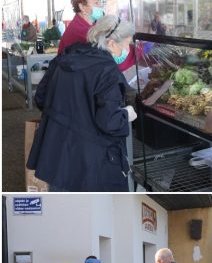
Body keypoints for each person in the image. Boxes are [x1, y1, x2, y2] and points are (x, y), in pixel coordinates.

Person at [27, 15, 137, 191]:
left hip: (56, 155)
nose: (126, 50)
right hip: (89, 164)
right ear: (110, 43)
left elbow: (41, 97)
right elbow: (109, 122)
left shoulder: (67, 55)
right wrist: (126, 114)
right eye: (126, 45)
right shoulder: (107, 71)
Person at [58, 0, 141, 73]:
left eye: (100, 3)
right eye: (96, 3)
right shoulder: (81, 31)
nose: (100, 7)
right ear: (82, 7)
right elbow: (107, 60)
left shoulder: (89, 25)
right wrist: (139, 51)